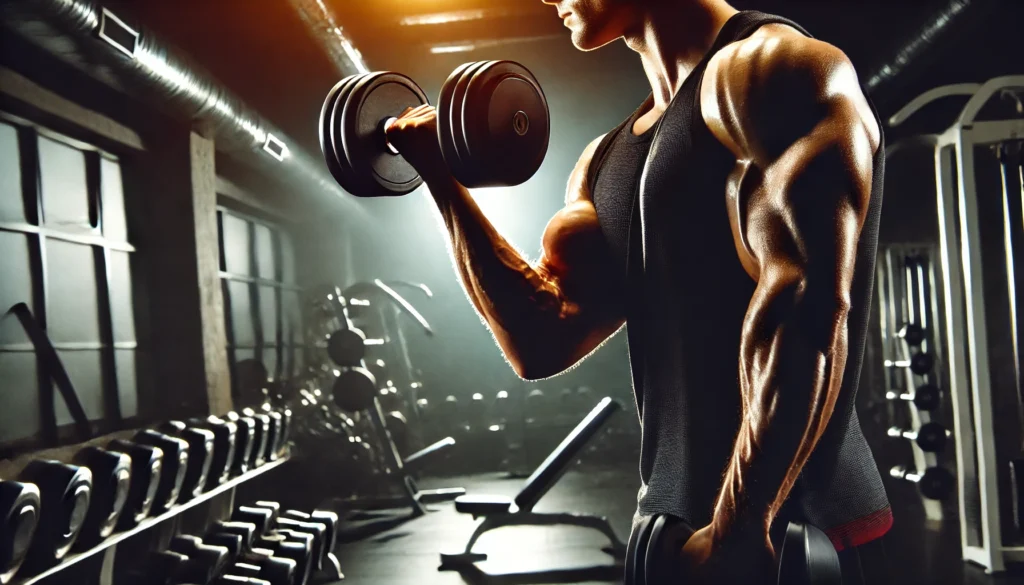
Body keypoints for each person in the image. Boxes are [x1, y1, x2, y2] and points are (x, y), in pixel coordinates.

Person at [385, 0, 891, 582]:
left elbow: (805, 309)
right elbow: (542, 339)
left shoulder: (773, 69)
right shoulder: (606, 159)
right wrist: (440, 180)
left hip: (795, 537)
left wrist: (741, 527)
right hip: (670, 535)